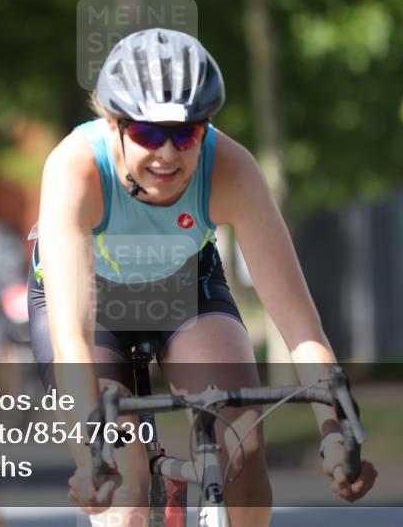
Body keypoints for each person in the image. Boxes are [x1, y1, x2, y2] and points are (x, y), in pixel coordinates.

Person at [28, 28, 377, 526]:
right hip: (92, 310)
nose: (168, 154)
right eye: (148, 134)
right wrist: (90, 457)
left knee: (242, 449)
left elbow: (301, 327)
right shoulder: (74, 168)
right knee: (124, 491)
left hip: (183, 289)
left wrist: (332, 432)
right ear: (112, 126)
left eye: (187, 133)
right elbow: (73, 342)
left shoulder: (231, 169)